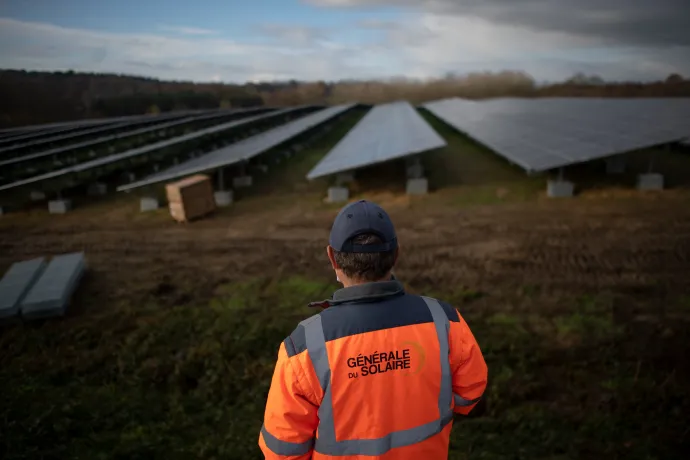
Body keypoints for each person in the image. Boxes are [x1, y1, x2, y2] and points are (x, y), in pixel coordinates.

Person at [259, 199, 488, 459]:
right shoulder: (445, 321)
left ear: (332, 257)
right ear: (396, 255)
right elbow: (470, 397)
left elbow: (283, 451)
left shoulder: (303, 348)